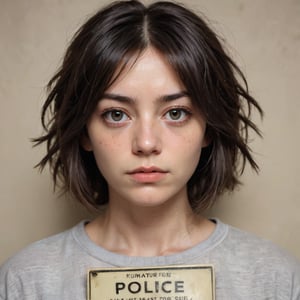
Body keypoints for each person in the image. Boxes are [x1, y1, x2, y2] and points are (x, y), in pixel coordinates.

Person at [0, 1, 299, 299]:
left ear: (208, 127)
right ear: (84, 131)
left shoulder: (276, 279)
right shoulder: (25, 281)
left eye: (176, 113)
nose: (145, 143)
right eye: (116, 114)